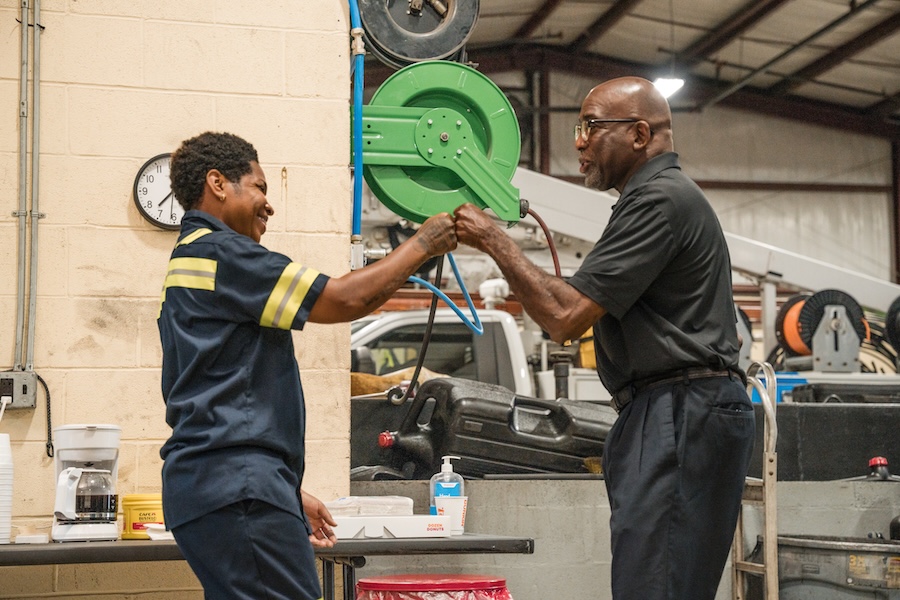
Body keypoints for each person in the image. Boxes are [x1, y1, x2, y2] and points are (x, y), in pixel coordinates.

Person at [454, 77, 755, 600]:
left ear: (639, 134)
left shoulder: (660, 200)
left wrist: (492, 239)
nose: (578, 142)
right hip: (669, 409)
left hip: (680, 410)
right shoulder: (653, 199)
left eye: (590, 127)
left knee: (655, 586)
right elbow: (572, 303)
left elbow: (564, 316)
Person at [158, 131, 456, 600]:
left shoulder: (190, 259)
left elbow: (219, 390)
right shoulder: (223, 253)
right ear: (217, 184)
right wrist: (424, 242)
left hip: (215, 486)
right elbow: (345, 298)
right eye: (259, 187)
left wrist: (285, 492)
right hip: (238, 487)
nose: (268, 205)